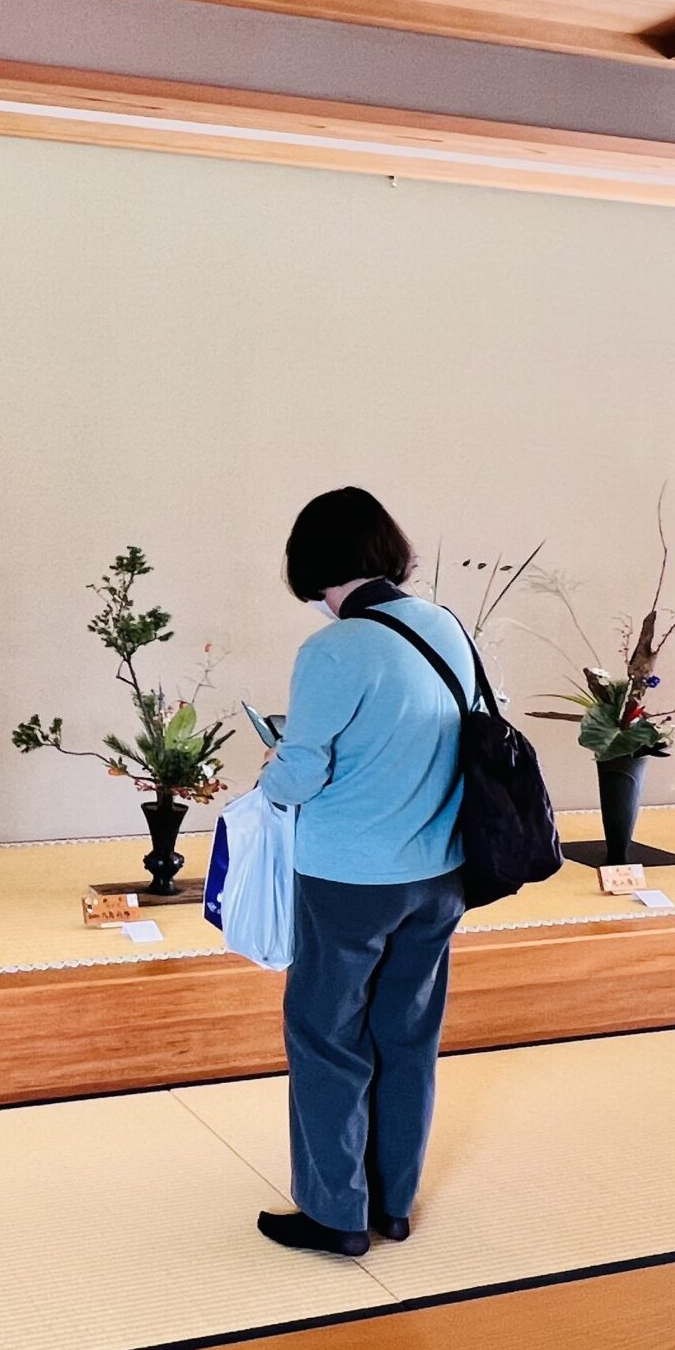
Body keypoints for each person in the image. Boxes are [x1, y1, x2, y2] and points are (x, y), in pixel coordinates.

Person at [253, 487, 473, 1258]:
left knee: (326, 1037)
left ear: (310, 563)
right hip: (440, 872)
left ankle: (336, 1212)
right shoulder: (445, 626)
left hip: (348, 880)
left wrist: (267, 770)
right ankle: (393, 1204)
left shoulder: (334, 650)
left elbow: (301, 775)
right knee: (407, 1036)